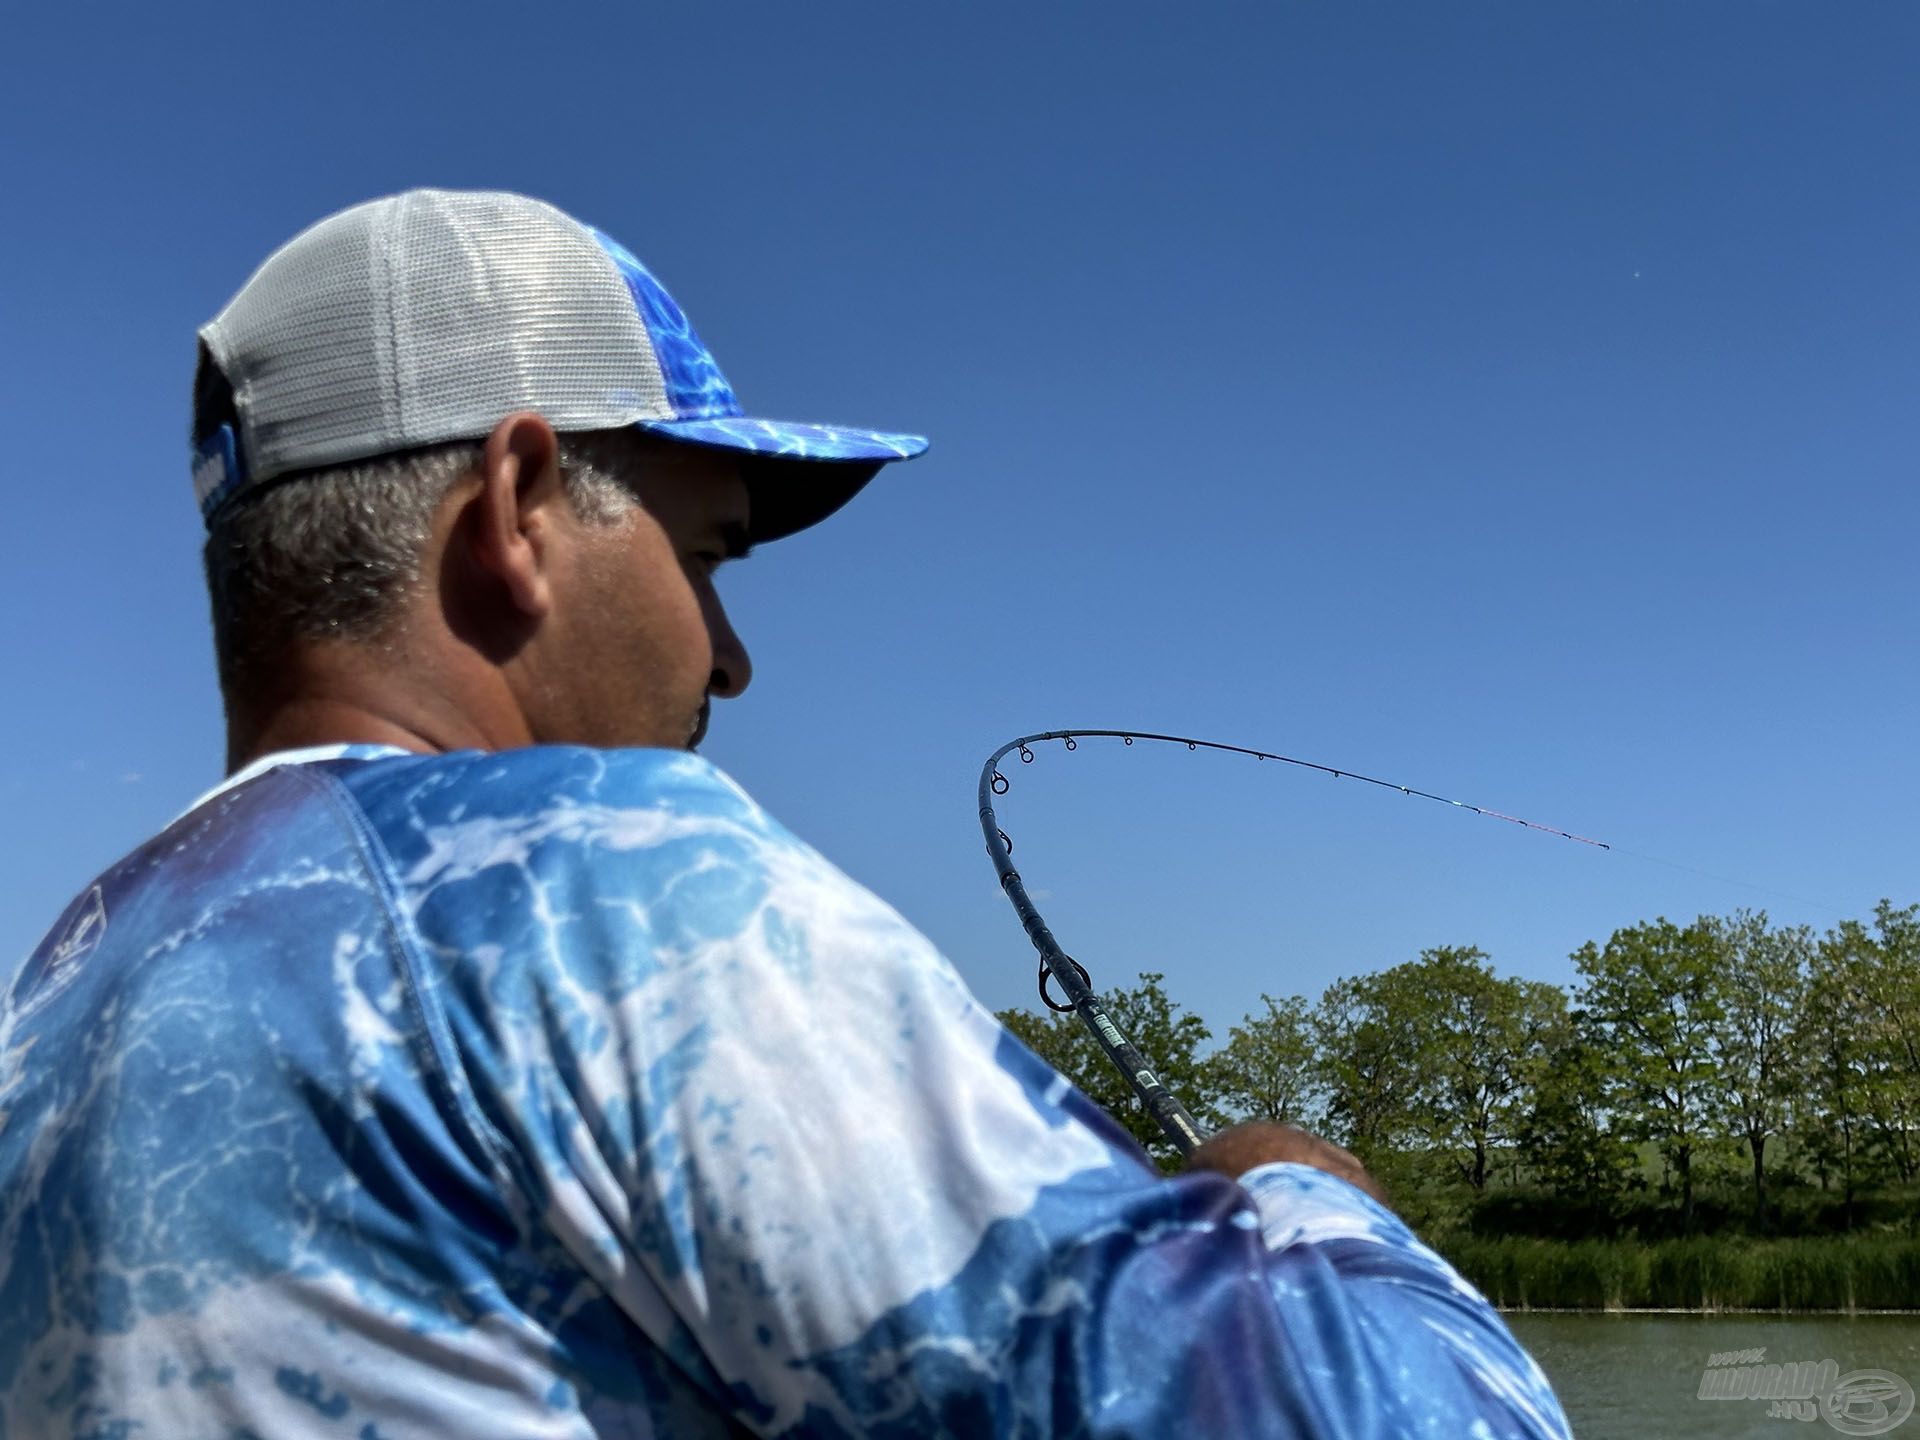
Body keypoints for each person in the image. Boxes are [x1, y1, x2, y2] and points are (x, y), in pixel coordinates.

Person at [0, 189, 1572, 1439]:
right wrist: (1302, 1197)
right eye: (711, 557)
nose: (731, 658)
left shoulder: (64, 993)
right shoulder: (600, 886)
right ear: (517, 509)